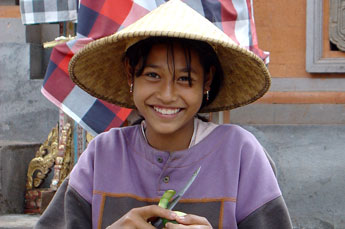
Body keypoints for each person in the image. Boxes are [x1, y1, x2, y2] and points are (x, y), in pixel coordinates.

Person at [35, 0, 292, 228]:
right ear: (129, 74)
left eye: (185, 79)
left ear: (207, 81)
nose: (167, 95)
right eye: (153, 75)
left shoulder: (240, 153)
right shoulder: (101, 156)